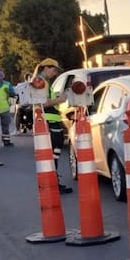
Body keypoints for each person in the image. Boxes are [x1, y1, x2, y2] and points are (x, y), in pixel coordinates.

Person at [34, 59, 73, 195]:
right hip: (49, 123)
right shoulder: (41, 81)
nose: (55, 73)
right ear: (46, 68)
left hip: (49, 122)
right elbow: (42, 103)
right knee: (52, 156)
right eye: (54, 70)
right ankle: (52, 183)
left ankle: (51, 182)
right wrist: (60, 100)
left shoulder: (42, 82)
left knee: (53, 155)